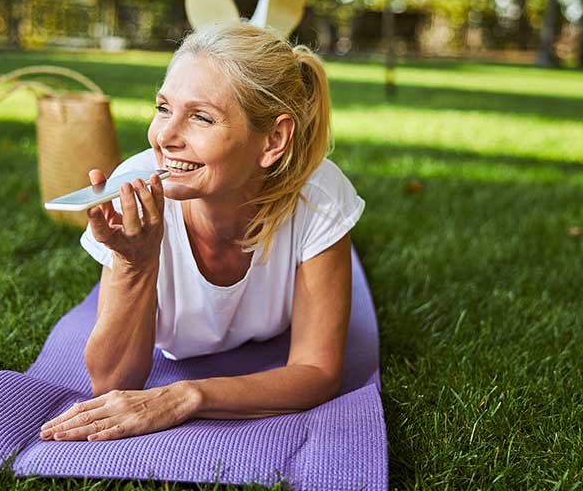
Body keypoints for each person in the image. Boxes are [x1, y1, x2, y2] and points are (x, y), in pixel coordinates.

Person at [39, 22, 365, 443]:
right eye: (163, 108)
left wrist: (187, 396)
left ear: (273, 140)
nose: (164, 137)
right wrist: (133, 264)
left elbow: (317, 371)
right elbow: (112, 382)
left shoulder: (319, 194)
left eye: (201, 117)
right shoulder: (134, 194)